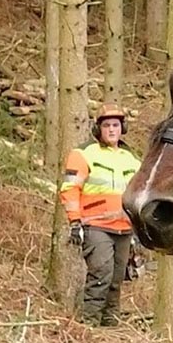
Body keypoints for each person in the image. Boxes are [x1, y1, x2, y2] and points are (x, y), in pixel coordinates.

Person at [59, 104, 141, 326]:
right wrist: (75, 221)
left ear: (122, 128)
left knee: (116, 279)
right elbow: (70, 189)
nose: (112, 130)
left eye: (115, 125)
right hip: (96, 225)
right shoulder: (83, 154)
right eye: (106, 125)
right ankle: (90, 325)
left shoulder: (131, 158)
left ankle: (110, 326)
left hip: (124, 227)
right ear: (98, 129)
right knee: (101, 275)